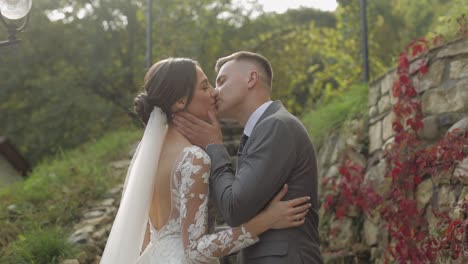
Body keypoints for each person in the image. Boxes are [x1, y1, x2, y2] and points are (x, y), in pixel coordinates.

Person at [100, 58, 312, 264]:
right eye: (204, 87)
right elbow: (194, 251)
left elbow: (159, 235)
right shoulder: (193, 158)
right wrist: (265, 221)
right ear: (180, 101)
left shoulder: (152, 158)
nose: (213, 92)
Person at [173, 51, 324, 263]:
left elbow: (235, 208)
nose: (215, 92)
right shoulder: (261, 131)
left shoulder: (276, 126)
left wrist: (214, 145)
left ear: (251, 79)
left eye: (222, 81)